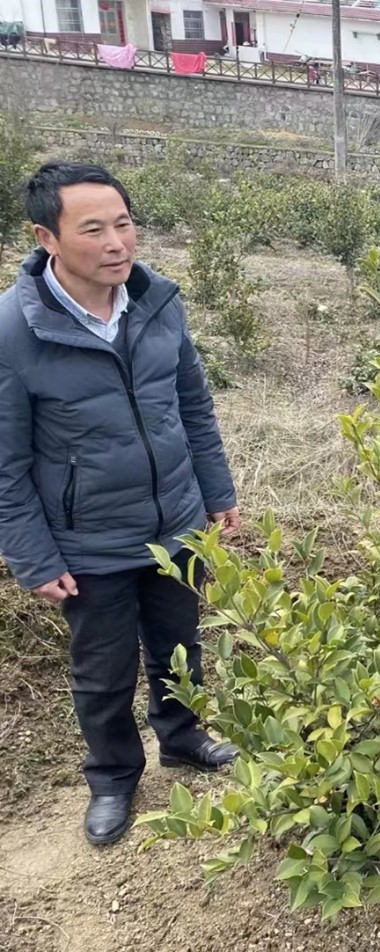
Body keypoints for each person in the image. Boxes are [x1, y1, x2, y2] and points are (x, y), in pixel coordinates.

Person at [0, 162, 241, 846]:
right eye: (94, 229)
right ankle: (112, 777)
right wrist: (32, 555)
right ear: (47, 237)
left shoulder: (157, 301)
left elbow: (192, 406)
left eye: (124, 224)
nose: (116, 243)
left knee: (179, 646)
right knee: (102, 672)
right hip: (89, 537)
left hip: (174, 520)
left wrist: (216, 492)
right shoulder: (14, 330)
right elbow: (6, 463)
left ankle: (182, 737)